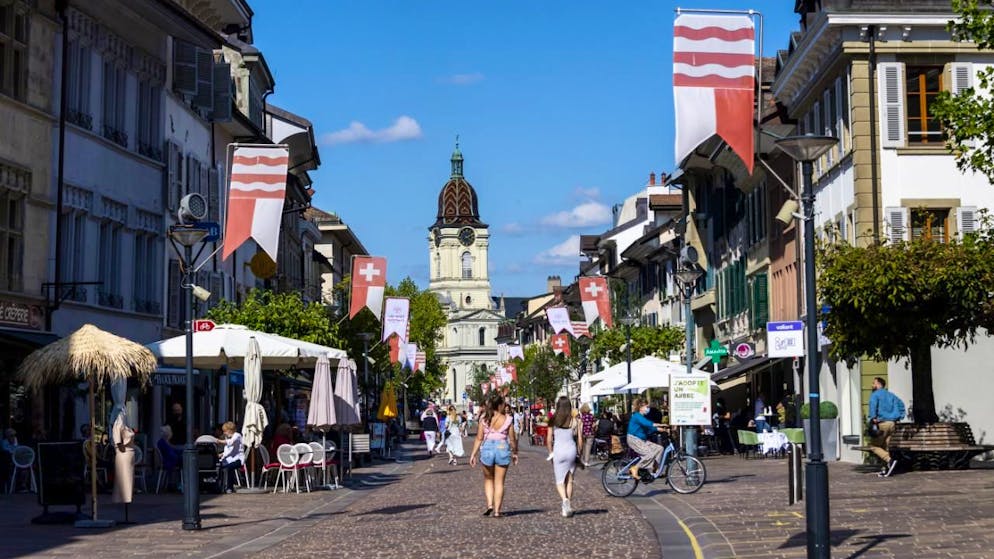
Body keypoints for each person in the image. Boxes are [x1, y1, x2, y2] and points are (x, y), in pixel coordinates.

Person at [469, 393, 519, 518]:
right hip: (502, 448)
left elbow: (479, 438)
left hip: (487, 449)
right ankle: (497, 511)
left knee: (488, 479)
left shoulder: (484, 419)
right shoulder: (507, 419)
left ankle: (490, 504)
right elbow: (512, 439)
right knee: (499, 482)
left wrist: (473, 454)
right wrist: (515, 452)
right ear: (501, 405)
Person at [547, 397, 582, 517]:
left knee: (559, 481)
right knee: (570, 480)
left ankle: (564, 500)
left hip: (559, 451)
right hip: (571, 450)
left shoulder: (553, 420)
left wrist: (551, 453)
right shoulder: (575, 421)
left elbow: (548, 439)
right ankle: (567, 505)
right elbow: (580, 441)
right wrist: (579, 454)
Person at [868, 377, 906, 477]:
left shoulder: (875, 395)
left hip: (882, 424)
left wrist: (873, 417)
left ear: (879, 385)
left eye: (874, 383)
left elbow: (873, 405)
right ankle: (885, 470)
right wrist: (900, 416)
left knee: (874, 446)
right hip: (892, 424)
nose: (872, 385)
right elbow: (901, 404)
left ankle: (890, 460)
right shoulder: (891, 395)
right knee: (885, 447)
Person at [626, 398, 667, 480]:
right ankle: (635, 468)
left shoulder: (643, 417)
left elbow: (648, 428)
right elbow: (647, 424)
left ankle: (655, 469)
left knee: (659, 449)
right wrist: (659, 424)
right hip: (634, 439)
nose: (648, 409)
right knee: (649, 453)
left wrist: (660, 429)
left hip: (641, 440)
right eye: (646, 406)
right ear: (641, 407)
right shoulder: (637, 416)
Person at [217, 421, 244, 493]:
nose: (224, 433)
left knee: (229, 468)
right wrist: (221, 454)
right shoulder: (229, 437)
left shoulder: (237, 435)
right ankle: (220, 485)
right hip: (230, 459)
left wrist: (219, 441)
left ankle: (229, 487)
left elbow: (231, 442)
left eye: (225, 431)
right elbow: (228, 452)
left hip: (238, 459)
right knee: (219, 466)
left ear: (229, 430)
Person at [156, 425, 182, 491]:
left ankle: (177, 483)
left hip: (168, 460)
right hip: (168, 462)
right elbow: (171, 454)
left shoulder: (163, 442)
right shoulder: (163, 443)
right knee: (183, 463)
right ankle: (178, 483)